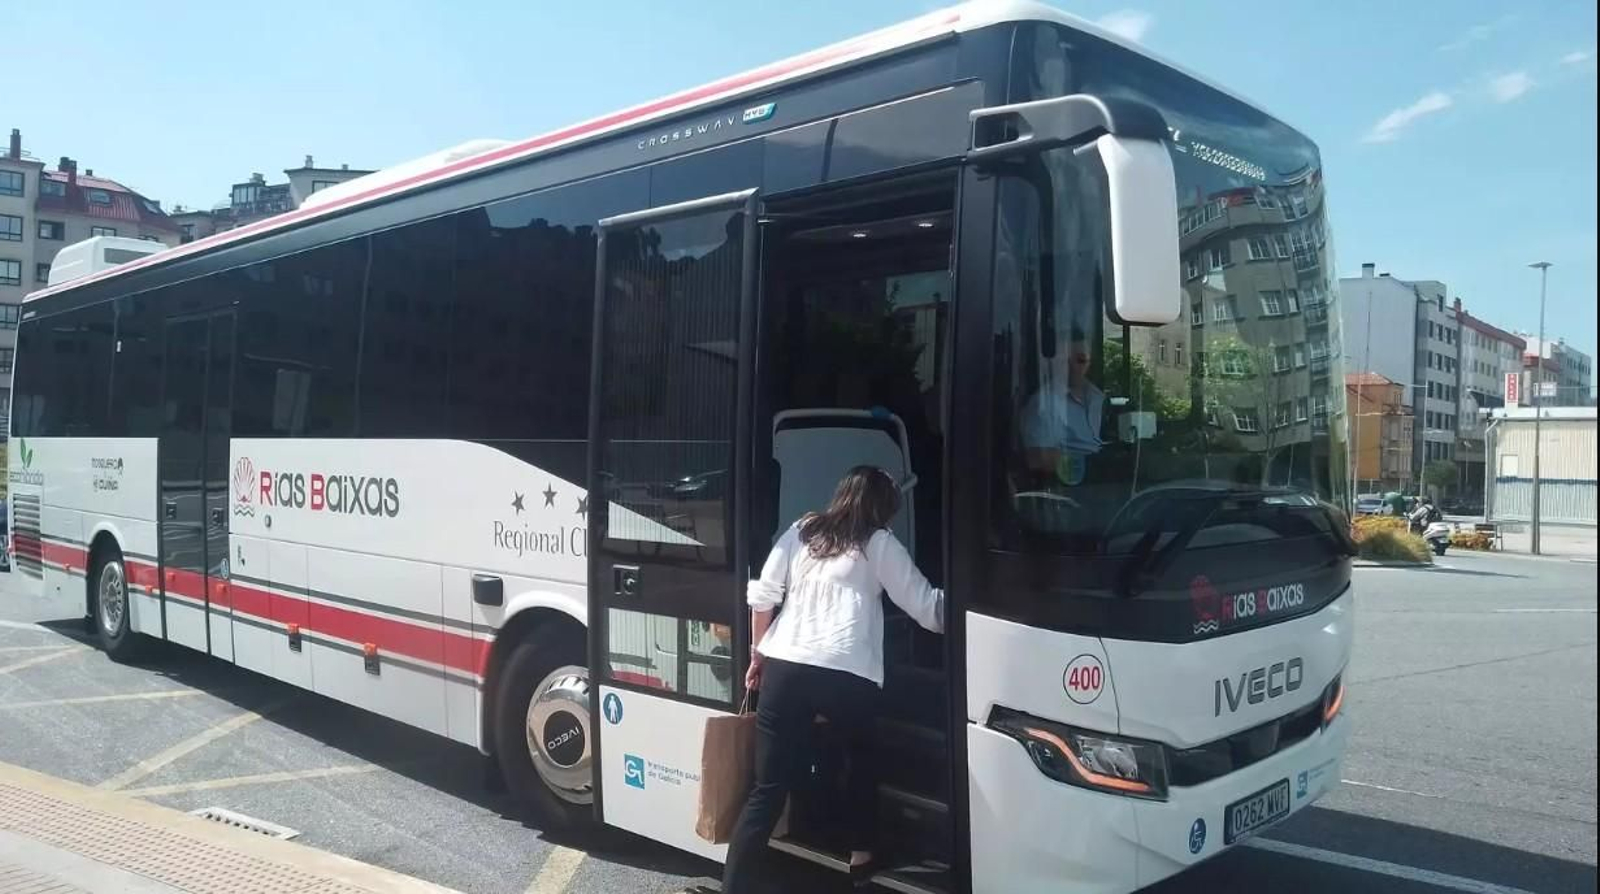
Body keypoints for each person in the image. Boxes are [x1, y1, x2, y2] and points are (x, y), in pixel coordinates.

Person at [720, 466, 945, 893]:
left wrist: (757, 654)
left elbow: (764, 594)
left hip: (785, 665)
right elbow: (928, 610)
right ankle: (860, 855)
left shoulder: (803, 531)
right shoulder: (878, 543)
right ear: (882, 508)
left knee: (766, 790)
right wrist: (972, 600)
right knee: (862, 756)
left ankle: (735, 886)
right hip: (846, 674)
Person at [1020, 328, 1105, 486]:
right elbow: (1036, 459)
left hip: (1106, 488)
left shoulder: (1099, 399)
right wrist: (1097, 464)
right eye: (1065, 360)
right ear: (1055, 361)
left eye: (1080, 360)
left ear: (1090, 361)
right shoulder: (1043, 403)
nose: (1072, 367)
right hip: (1063, 490)